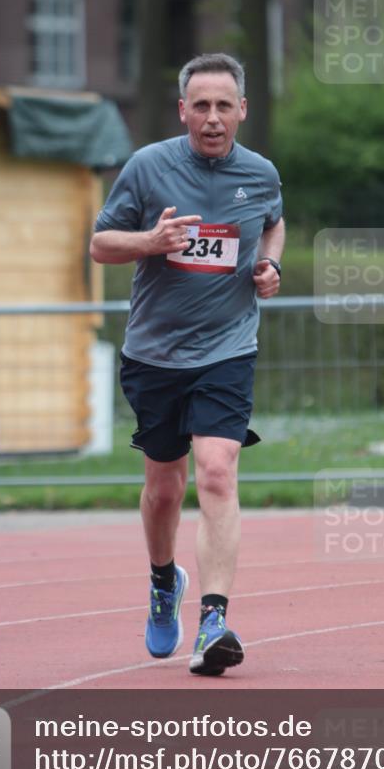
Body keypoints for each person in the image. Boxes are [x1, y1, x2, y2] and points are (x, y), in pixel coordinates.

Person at [90, 53, 285, 676]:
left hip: (228, 350)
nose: (212, 117)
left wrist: (270, 265)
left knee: (218, 471)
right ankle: (161, 580)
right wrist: (150, 242)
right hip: (154, 354)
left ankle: (214, 620)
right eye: (200, 105)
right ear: (183, 111)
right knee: (164, 487)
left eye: (223, 105)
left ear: (242, 111)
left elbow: (274, 224)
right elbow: (100, 243)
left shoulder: (259, 173)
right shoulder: (148, 167)